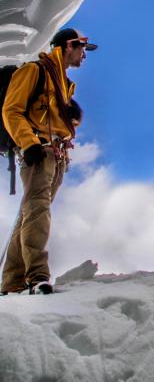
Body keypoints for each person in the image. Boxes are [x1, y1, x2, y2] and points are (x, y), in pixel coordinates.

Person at [1, 28, 97, 295]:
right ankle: (37, 278)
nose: (84, 56)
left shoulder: (62, 82)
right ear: (68, 46)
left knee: (30, 214)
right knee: (37, 212)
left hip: (56, 155)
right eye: (82, 49)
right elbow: (11, 109)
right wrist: (28, 143)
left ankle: (12, 282)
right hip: (39, 152)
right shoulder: (35, 71)